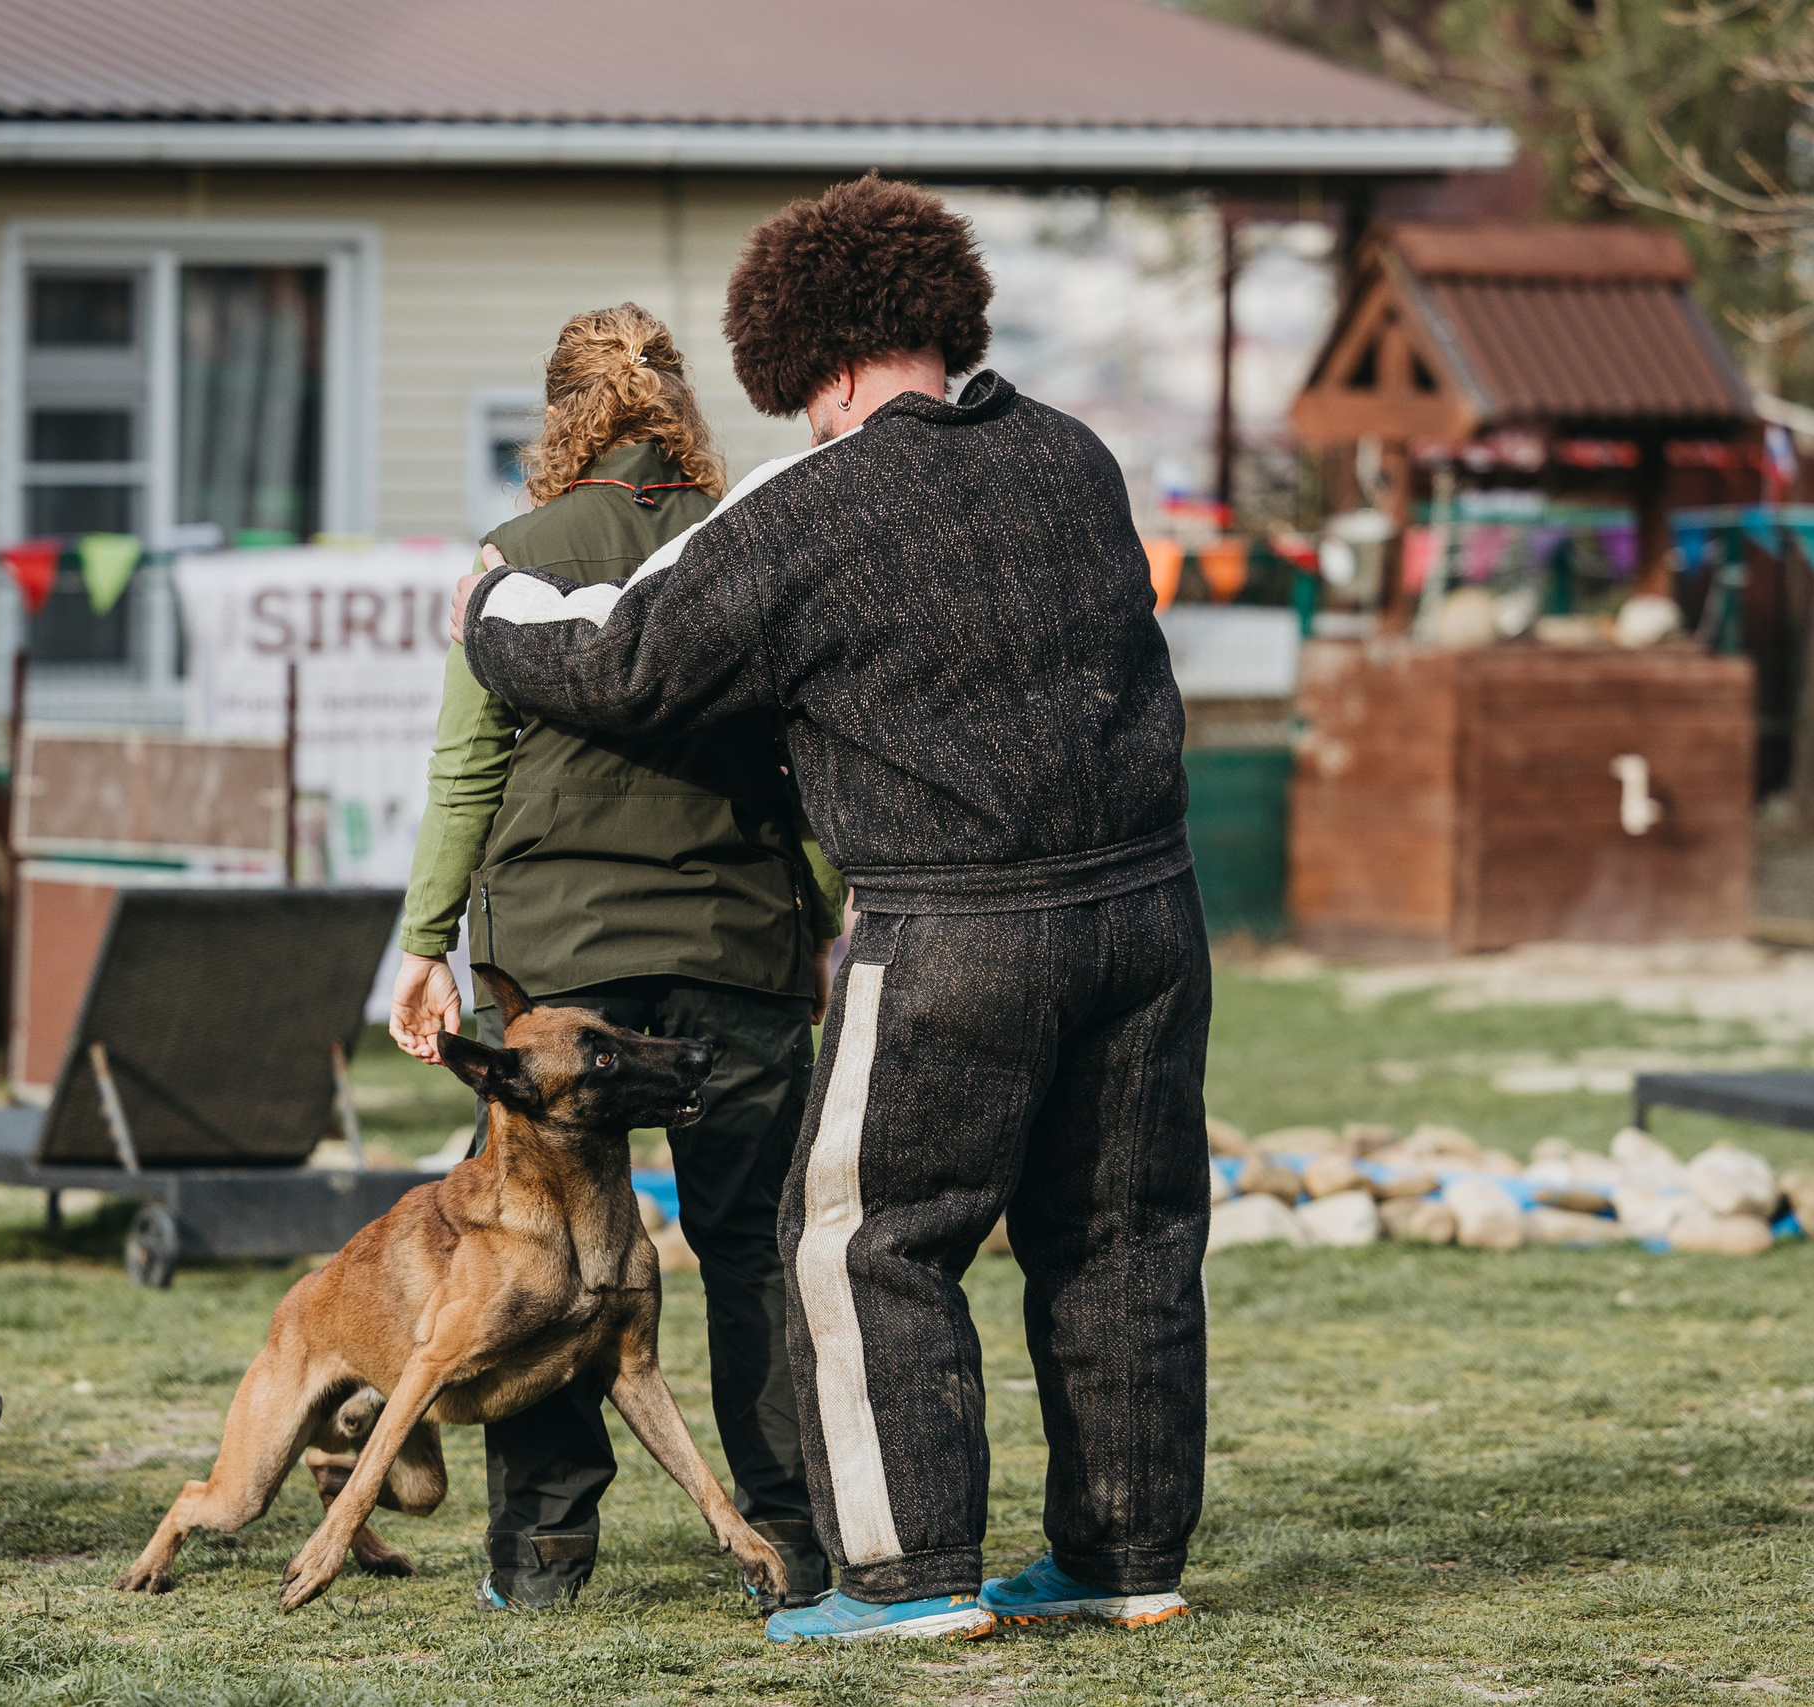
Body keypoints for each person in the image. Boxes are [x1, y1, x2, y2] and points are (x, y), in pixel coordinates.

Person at [456, 176, 1210, 1645]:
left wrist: (496, 604)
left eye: (799, 390)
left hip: (953, 930)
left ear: (818, 361)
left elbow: (625, 662)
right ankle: (1124, 1560)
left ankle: (907, 1579)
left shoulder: (815, 499)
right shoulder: (1073, 454)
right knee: (1122, 1235)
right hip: (1150, 911)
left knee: (863, 1241)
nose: (802, 416)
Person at [389, 304, 846, 1614]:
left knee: (534, 1255)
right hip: (737, 943)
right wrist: (817, 908)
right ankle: (792, 1541)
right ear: (681, 410)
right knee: (755, 1249)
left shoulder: (515, 561)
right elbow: (817, 749)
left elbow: (468, 766)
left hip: (556, 968)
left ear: (558, 419)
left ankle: (543, 1557)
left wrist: (426, 940)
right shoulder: (751, 539)